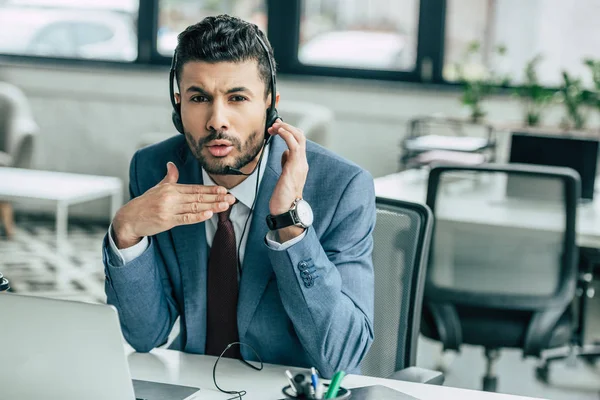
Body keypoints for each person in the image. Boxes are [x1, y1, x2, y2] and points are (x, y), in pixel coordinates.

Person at [103, 15, 375, 378]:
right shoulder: (155, 170)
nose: (217, 120)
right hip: (192, 384)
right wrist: (126, 230)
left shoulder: (342, 187)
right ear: (178, 104)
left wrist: (290, 225)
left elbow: (340, 357)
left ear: (270, 104)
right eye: (199, 98)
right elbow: (144, 335)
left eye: (237, 98)